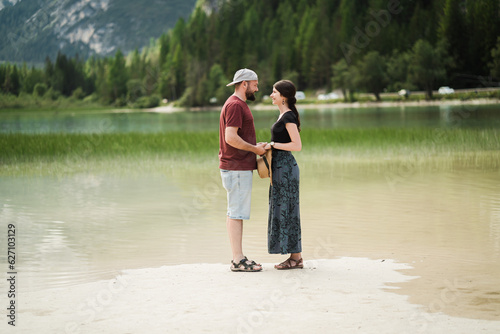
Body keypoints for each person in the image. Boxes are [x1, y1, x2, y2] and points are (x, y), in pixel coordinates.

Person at [219, 68, 267, 272]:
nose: (257, 87)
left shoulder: (236, 104)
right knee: (236, 213)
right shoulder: (236, 105)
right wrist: (255, 149)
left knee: (235, 213)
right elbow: (230, 137)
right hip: (236, 168)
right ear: (245, 84)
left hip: (236, 167)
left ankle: (238, 258)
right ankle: (238, 260)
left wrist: (256, 147)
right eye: (255, 84)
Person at [264, 80, 303, 270]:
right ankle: (295, 256)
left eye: (274, 92)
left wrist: (272, 145)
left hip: (286, 169)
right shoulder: (283, 116)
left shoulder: (288, 117)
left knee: (288, 211)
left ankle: (295, 258)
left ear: (283, 97)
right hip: (280, 168)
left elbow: (297, 145)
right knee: (284, 210)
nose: (271, 95)